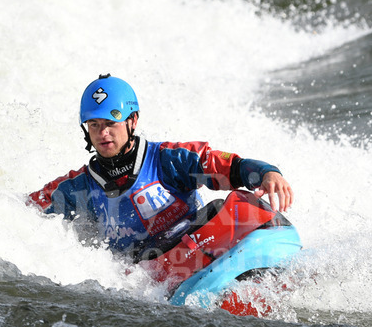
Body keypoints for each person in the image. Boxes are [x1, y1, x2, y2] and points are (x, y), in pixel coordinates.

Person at [28, 74, 294, 269]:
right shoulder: (77, 187)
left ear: (132, 121)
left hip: (199, 246)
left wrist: (267, 173)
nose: (102, 133)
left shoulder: (168, 159)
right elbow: (20, 214)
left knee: (241, 204)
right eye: (94, 124)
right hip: (148, 276)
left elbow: (228, 166)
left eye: (111, 123)